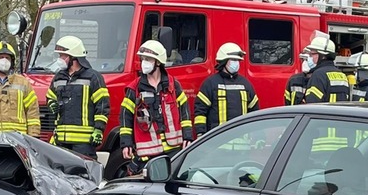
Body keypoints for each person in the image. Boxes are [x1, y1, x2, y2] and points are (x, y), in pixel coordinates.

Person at [117, 39, 194, 176]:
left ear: (158, 62)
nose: (143, 63)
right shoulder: (135, 88)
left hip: (174, 150)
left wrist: (187, 135)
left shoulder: (172, 85)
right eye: (142, 59)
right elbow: (125, 116)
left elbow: (185, 111)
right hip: (148, 153)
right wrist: (126, 143)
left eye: (148, 59)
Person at [46, 35, 109, 157]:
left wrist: (99, 129)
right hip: (61, 140)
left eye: (63, 56)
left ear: (73, 57)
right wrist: (51, 103)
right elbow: (50, 96)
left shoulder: (93, 77)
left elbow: (102, 105)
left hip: (84, 143)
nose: (60, 59)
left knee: (83, 174)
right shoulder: (59, 77)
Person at [193, 42, 258, 135]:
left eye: (238, 60)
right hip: (218, 142)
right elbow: (200, 112)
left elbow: (254, 114)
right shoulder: (211, 84)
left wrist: (258, 137)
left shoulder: (246, 84)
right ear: (224, 61)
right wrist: (201, 133)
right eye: (233, 60)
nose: (236, 63)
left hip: (242, 143)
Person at [301, 35, 352, 154]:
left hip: (321, 142)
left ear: (322, 56)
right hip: (342, 140)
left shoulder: (318, 75)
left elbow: (311, 106)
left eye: (312, 54)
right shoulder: (342, 75)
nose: (310, 58)